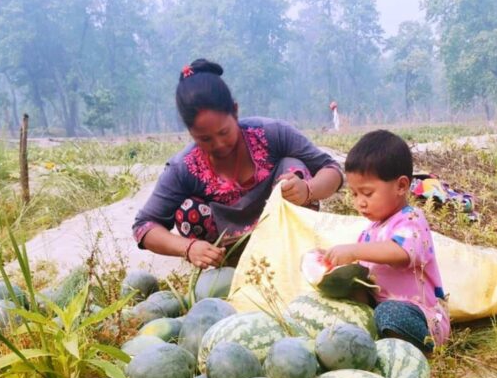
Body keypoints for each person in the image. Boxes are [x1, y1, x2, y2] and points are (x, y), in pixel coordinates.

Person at [133, 59, 344, 269]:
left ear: (235, 111)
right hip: (228, 254)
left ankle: (293, 257)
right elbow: (144, 226)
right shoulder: (183, 167)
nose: (219, 144)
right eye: (205, 139)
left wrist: (307, 190)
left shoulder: (272, 133)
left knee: (293, 166)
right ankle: (232, 268)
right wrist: (188, 248)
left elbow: (332, 170)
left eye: (224, 132)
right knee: (188, 209)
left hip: (284, 241)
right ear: (191, 132)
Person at [323, 130, 450, 351]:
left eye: (367, 193)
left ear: (401, 186)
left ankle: (409, 352)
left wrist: (354, 251)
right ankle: (376, 344)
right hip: (381, 314)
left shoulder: (412, 220)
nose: (360, 203)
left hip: (422, 318)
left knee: (389, 313)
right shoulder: (368, 232)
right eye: (354, 194)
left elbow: (401, 253)